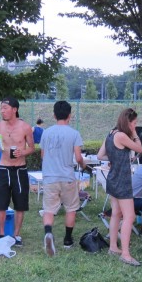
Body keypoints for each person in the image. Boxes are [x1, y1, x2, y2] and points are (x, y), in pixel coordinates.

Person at [97, 108, 142, 266]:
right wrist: (135, 133)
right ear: (128, 122)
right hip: (122, 181)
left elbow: (100, 155)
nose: (135, 125)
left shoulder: (111, 133)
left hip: (112, 179)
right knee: (129, 216)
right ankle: (125, 254)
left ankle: (113, 247)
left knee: (116, 213)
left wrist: (115, 159)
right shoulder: (122, 136)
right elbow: (139, 149)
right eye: (134, 123)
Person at [40, 101, 85, 256]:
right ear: (69, 116)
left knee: (49, 209)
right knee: (71, 208)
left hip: (50, 177)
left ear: (54, 115)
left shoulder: (46, 133)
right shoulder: (74, 133)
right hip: (67, 177)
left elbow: (42, 155)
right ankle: (67, 240)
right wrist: (83, 164)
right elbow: (78, 157)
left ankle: (48, 233)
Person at [0, 97, 35, 246]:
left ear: (14, 109)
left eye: (5, 108)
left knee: (20, 204)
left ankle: (16, 235)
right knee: (1, 203)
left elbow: (32, 148)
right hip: (3, 168)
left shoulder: (25, 127)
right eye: (1, 108)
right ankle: (1, 234)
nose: (2, 111)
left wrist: (22, 152)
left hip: (19, 169)